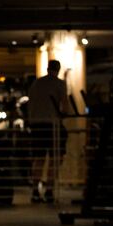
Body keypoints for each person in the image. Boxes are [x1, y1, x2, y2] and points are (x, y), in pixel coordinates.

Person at [26, 59, 70, 202]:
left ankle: (34, 190)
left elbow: (30, 104)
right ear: (58, 69)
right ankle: (49, 190)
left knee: (38, 159)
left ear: (47, 68)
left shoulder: (36, 84)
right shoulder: (59, 84)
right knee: (55, 159)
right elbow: (65, 106)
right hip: (52, 125)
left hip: (36, 125)